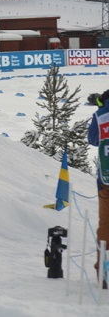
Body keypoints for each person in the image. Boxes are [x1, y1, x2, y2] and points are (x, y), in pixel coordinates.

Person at [87, 89, 109, 289]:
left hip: (106, 180)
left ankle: (104, 270)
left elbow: (93, 139)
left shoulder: (101, 115)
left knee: (105, 225)